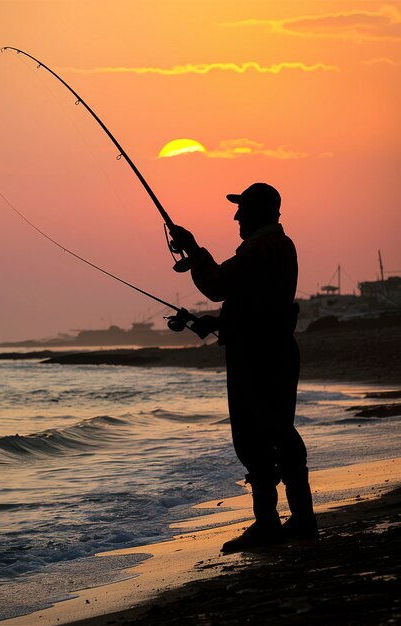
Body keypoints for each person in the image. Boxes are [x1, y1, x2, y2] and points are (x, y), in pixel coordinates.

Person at [170, 182, 318, 552]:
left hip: (257, 356)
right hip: (272, 349)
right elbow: (255, 303)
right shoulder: (278, 246)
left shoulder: (262, 247)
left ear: (264, 210)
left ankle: (270, 524)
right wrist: (218, 323)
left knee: (256, 439)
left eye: (243, 208)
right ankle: (299, 519)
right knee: (279, 432)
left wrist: (192, 247)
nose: (236, 215)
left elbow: (218, 284)